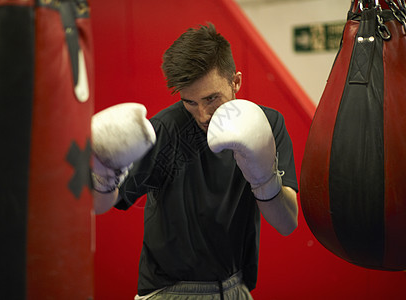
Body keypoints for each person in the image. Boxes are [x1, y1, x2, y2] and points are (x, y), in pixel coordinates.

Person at [92, 23, 298, 299]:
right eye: (190, 102)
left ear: (236, 81)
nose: (202, 114)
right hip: (171, 292)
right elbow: (101, 204)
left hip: (236, 288)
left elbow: (287, 223)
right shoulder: (167, 129)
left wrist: (264, 179)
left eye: (212, 98)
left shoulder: (268, 124)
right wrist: (103, 173)